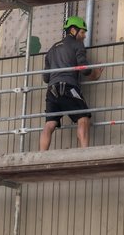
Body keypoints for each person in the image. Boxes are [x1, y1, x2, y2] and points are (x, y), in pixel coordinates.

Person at [39, 16, 103, 151]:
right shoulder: (77, 44)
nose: (84, 36)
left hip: (52, 90)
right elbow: (84, 69)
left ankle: (42, 154)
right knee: (83, 117)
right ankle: (84, 152)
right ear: (73, 30)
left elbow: (46, 78)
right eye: (82, 32)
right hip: (68, 87)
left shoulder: (51, 50)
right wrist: (95, 74)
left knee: (50, 123)